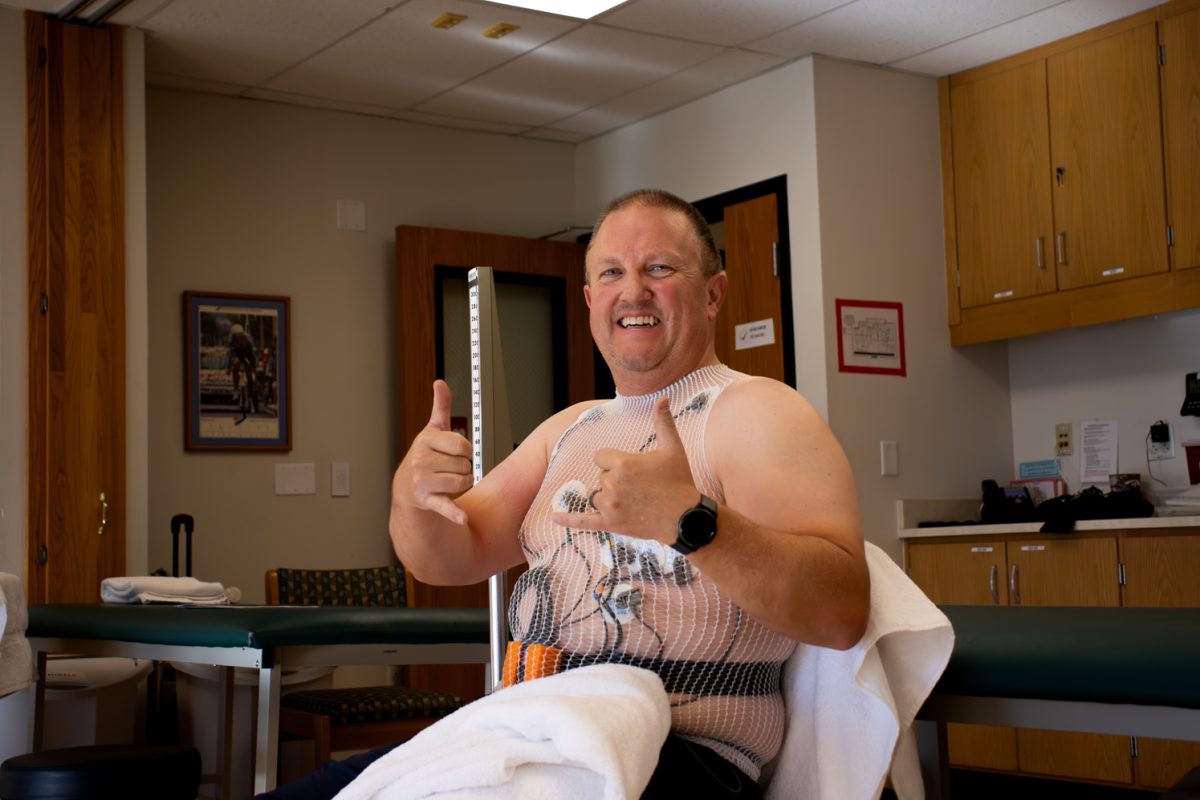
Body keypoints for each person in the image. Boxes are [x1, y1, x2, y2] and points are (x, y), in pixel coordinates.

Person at [258, 189, 869, 799]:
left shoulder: (759, 412)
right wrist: (412, 495)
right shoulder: (569, 429)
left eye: (659, 268)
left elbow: (842, 610)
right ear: (589, 300)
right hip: (525, 730)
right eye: (611, 273)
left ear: (713, 292)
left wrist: (688, 520)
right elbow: (448, 555)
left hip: (678, 754)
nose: (633, 291)